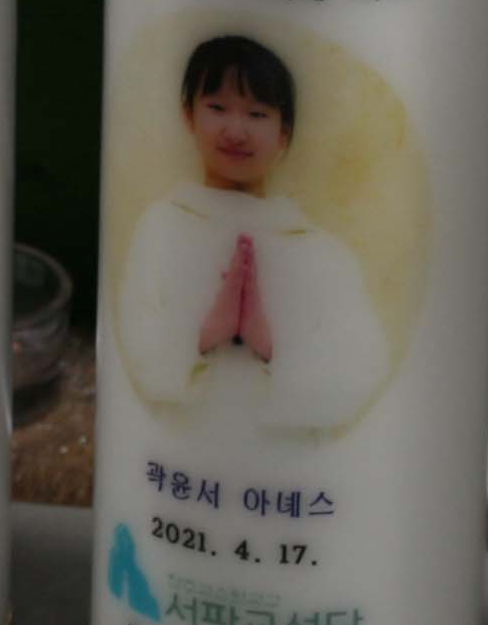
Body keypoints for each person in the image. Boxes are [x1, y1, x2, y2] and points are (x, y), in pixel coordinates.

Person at [115, 34, 386, 440]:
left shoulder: (320, 250)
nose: (236, 131)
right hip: (183, 449)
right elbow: (134, 345)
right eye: (217, 108)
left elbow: (364, 366)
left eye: (257, 114)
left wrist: (270, 345)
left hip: (288, 459)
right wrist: (207, 335)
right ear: (189, 115)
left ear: (284, 133)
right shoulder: (161, 226)